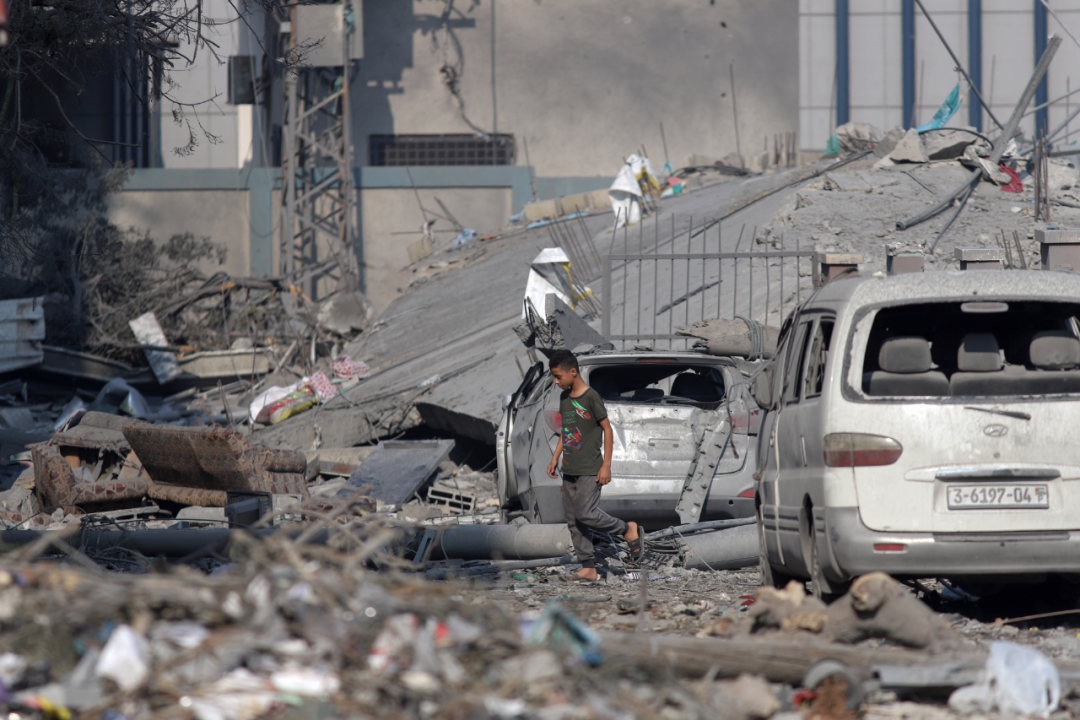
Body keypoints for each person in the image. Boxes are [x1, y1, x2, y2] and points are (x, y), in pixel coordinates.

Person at [545, 349, 641, 581]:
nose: (556, 382)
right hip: (569, 469)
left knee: (585, 513)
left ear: (573, 372)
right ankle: (588, 567)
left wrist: (606, 465)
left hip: (590, 468)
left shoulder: (591, 397)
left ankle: (627, 529)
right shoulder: (564, 398)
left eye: (558, 377)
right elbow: (564, 432)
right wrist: (555, 457)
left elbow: (607, 429)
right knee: (573, 520)